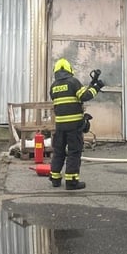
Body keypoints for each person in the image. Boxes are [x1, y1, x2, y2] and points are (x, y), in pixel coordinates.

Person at [48, 57, 104, 190]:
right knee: (74, 152)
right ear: (69, 70)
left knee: (59, 152)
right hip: (74, 126)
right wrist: (96, 87)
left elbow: (71, 97)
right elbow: (85, 96)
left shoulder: (53, 87)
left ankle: (55, 179)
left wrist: (90, 85)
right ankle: (71, 181)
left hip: (60, 126)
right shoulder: (73, 82)